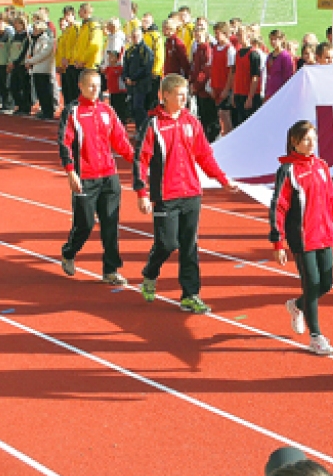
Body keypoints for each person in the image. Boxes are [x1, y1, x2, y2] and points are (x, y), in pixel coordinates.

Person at [134, 74, 241, 313]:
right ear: (165, 96)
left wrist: (222, 180)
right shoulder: (153, 125)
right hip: (166, 195)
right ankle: (151, 272)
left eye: (186, 95)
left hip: (191, 193)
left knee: (189, 245)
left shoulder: (191, 122)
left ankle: (190, 294)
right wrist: (141, 192)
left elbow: (204, 155)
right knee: (166, 243)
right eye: (179, 95)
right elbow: (141, 159)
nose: (184, 99)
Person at [271, 120, 333, 356]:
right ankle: (316, 337)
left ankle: (296, 305)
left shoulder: (322, 166)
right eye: (306, 139)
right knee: (311, 284)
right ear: (294, 142)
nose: (311, 144)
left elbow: (331, 200)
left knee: (326, 284)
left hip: (324, 234)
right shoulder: (287, 171)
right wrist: (278, 242)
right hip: (302, 237)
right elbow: (278, 207)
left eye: (314, 139)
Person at [58, 69, 136, 285]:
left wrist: (138, 162)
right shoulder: (72, 111)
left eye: (98, 85)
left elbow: (120, 141)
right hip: (85, 177)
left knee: (111, 224)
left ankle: (110, 270)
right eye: (91, 86)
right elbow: (64, 142)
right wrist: (70, 171)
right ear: (81, 86)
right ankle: (69, 252)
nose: (95, 90)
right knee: (85, 224)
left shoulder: (107, 111)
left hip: (109, 176)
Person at [123, 26, 155, 135]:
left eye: (137, 36)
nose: (135, 38)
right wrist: (126, 78)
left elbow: (146, 68)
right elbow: (125, 65)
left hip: (142, 85)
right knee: (133, 107)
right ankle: (139, 128)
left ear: (141, 36)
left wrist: (133, 78)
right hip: (131, 85)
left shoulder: (146, 51)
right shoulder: (129, 50)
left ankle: (144, 129)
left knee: (139, 106)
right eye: (133, 36)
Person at [25, 16, 57, 120]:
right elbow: (30, 52)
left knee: (46, 91)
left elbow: (43, 54)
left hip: (44, 69)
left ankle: (48, 111)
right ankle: (44, 109)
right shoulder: (34, 40)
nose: (34, 31)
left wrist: (31, 61)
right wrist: (28, 60)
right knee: (40, 91)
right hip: (36, 69)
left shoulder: (47, 39)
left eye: (36, 29)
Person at [209, 22, 237, 137]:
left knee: (225, 114)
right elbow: (212, 67)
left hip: (224, 87)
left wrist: (227, 89)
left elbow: (231, 71)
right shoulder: (215, 48)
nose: (215, 36)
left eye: (218, 33)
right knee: (219, 115)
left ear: (225, 34)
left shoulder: (230, 49)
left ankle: (229, 136)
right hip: (216, 86)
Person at [234, 33, 266, 127]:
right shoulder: (238, 53)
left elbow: (255, 77)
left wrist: (250, 97)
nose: (238, 37)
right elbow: (236, 74)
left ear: (248, 36)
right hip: (239, 93)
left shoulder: (253, 54)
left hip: (249, 95)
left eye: (241, 34)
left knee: (251, 124)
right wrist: (234, 93)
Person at [8, 15, 34, 115]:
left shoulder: (26, 36)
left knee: (24, 87)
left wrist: (16, 62)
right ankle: (19, 105)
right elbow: (12, 51)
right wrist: (10, 62)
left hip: (22, 65)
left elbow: (24, 52)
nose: (15, 25)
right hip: (14, 64)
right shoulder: (15, 36)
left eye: (17, 23)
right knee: (14, 86)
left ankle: (26, 107)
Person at [57, 6, 80, 106]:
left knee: (74, 91)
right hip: (65, 64)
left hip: (73, 63)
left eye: (68, 15)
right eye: (65, 15)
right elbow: (62, 49)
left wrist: (69, 58)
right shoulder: (67, 30)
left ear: (73, 15)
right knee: (67, 91)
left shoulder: (77, 27)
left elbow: (77, 46)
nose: (66, 17)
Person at [103, 50, 129, 125]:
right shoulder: (108, 68)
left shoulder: (120, 68)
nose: (109, 58)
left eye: (112, 56)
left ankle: (122, 122)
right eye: (109, 56)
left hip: (120, 92)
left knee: (120, 108)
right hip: (112, 91)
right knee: (113, 107)